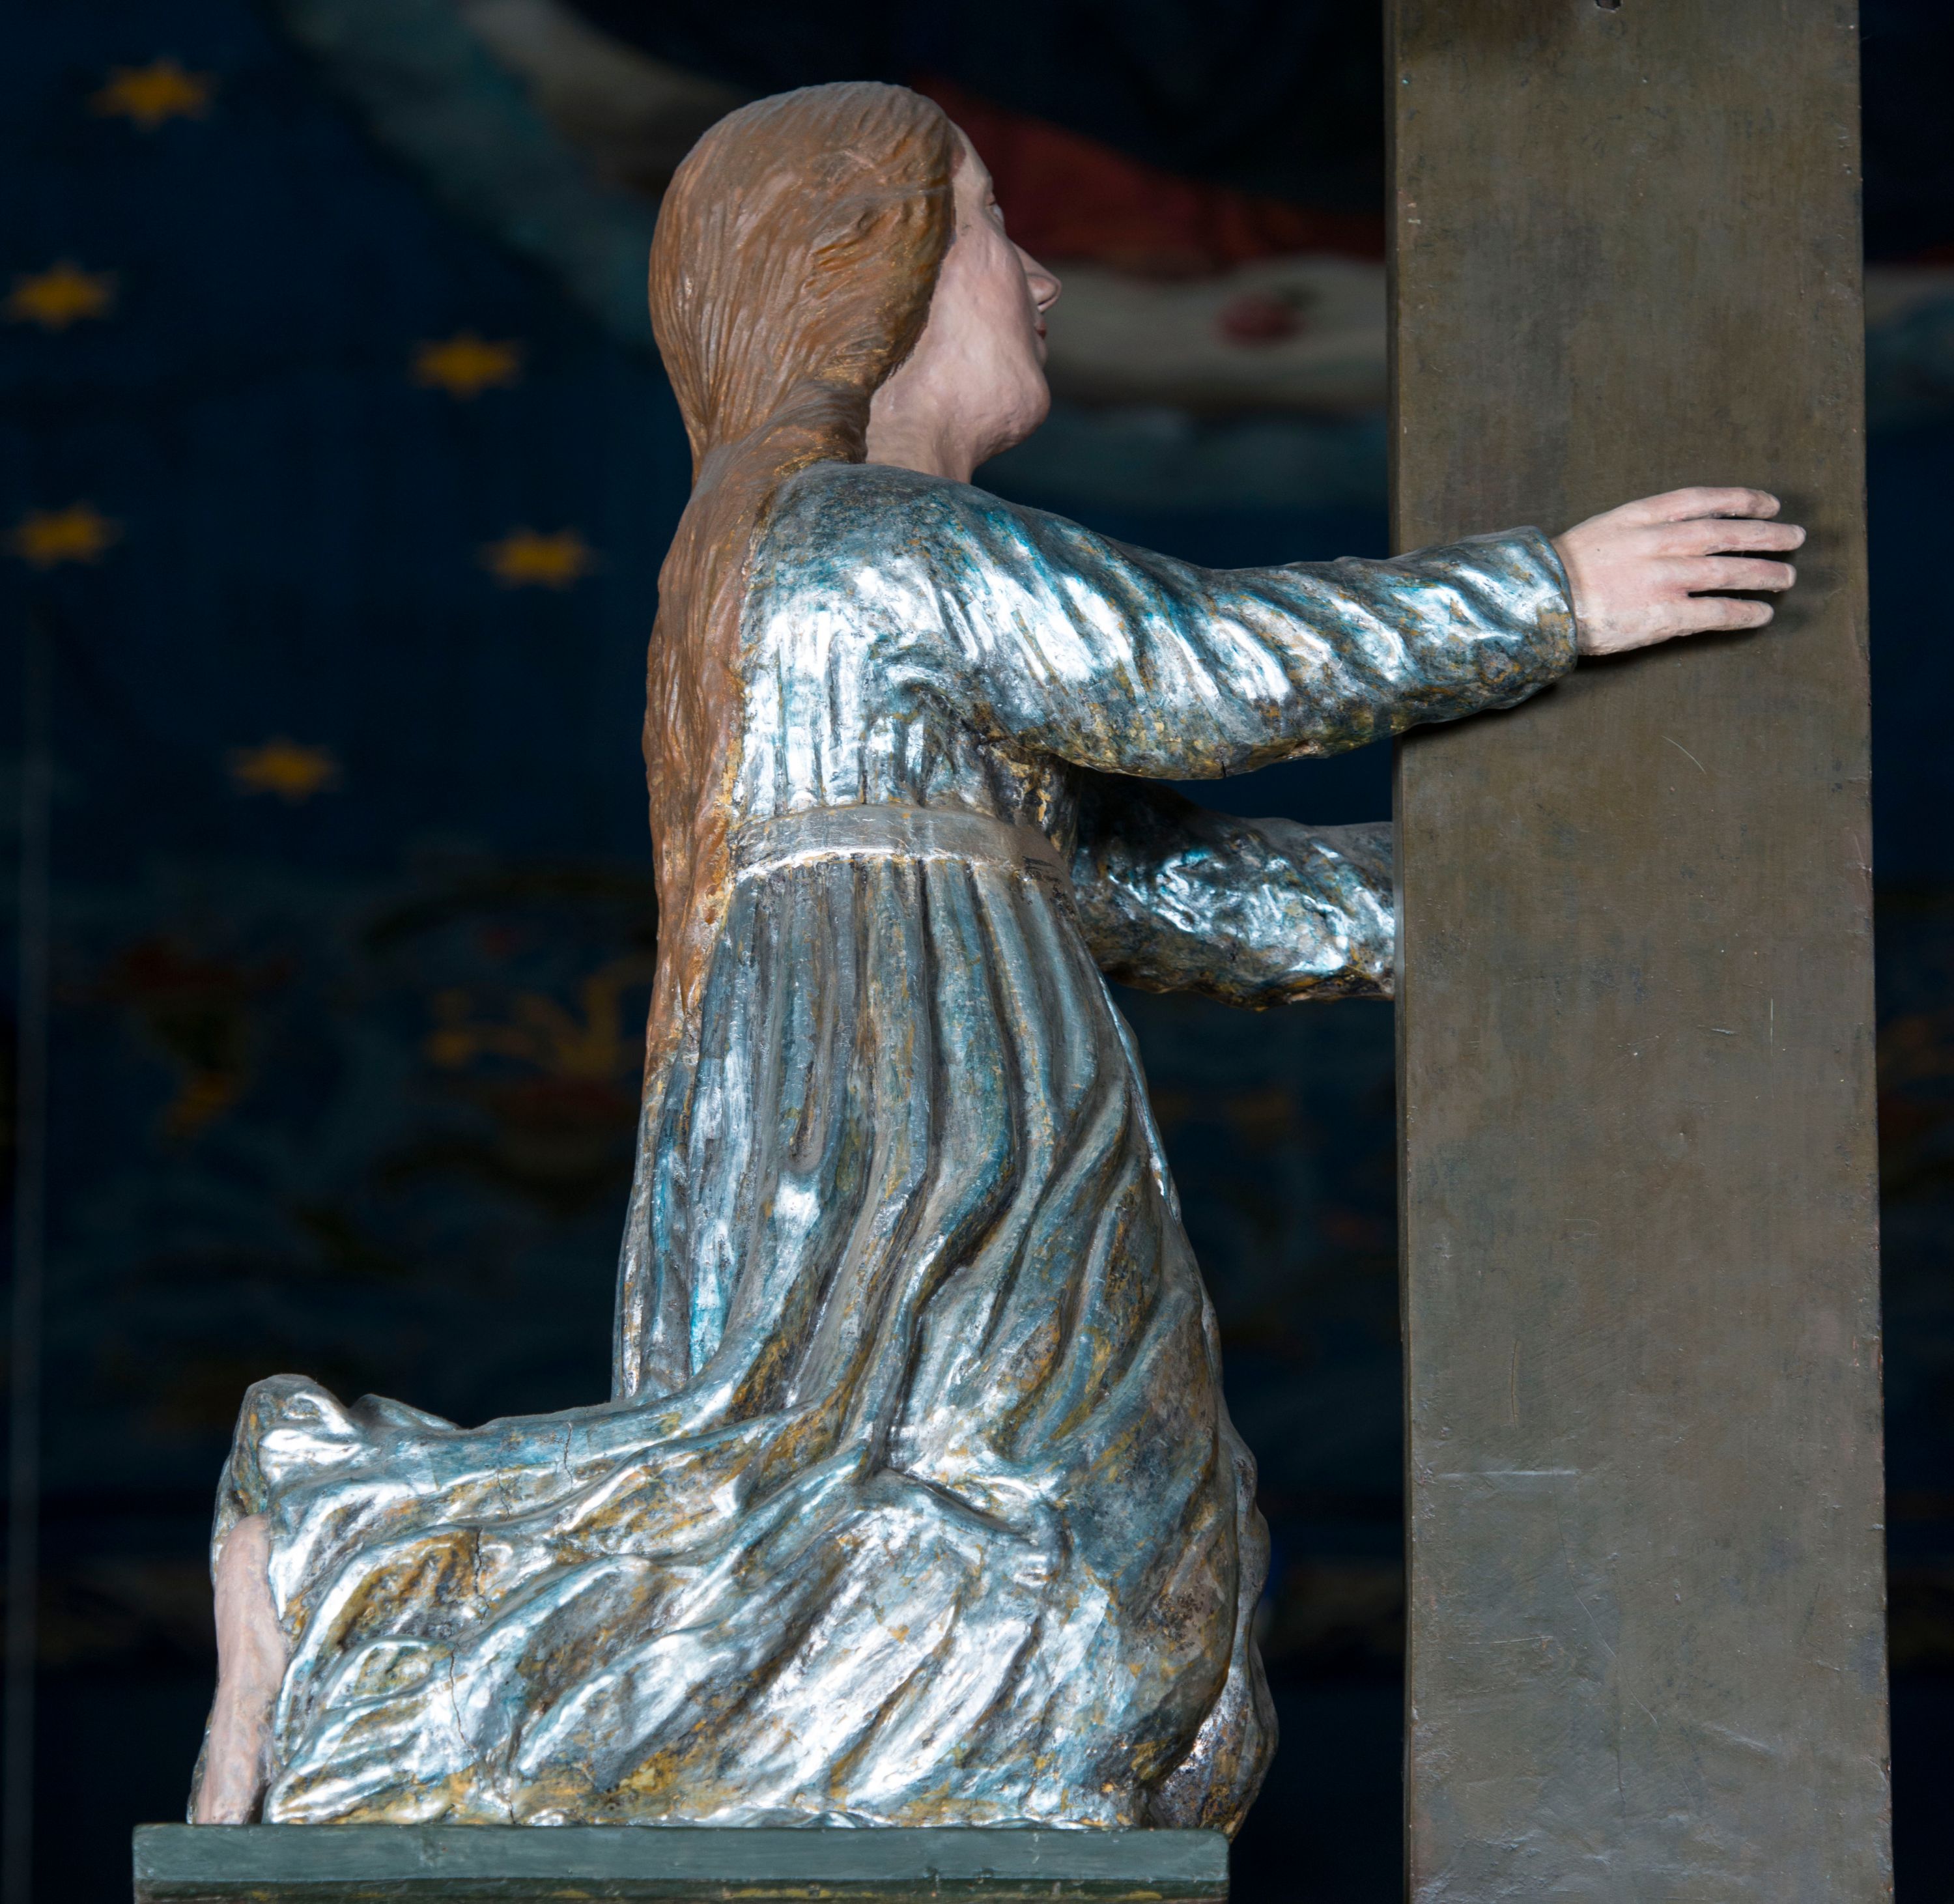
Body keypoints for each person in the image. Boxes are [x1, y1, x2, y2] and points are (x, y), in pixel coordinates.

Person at [191, 81, 1802, 1832]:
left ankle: (383, 1597)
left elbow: (1172, 896)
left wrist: (1554, 900)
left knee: (1035, 1582)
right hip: (918, 1140)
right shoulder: (858, 539)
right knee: (1021, 1546)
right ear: (868, 262)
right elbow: (1195, 669)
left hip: (964, 1106)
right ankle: (353, 1541)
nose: (1040, 279)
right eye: (990, 223)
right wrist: (1549, 594)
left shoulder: (843, 589)